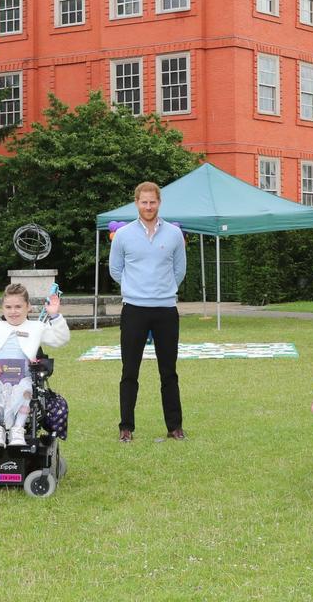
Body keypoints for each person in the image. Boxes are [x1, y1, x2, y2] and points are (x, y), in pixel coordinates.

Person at [109, 181, 187, 442]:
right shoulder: (123, 235)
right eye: (144, 202)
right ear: (136, 203)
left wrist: (162, 290)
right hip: (134, 310)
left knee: (169, 371)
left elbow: (180, 270)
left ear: (159, 203)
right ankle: (126, 428)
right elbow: (115, 270)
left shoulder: (174, 235)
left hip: (166, 310)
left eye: (152, 202)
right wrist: (136, 290)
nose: (148, 206)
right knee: (129, 371)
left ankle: (175, 426)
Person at [0, 284, 70, 447]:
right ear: (2, 308)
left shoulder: (36, 327)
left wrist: (55, 315)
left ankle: (18, 429)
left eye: (18, 306)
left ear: (28, 307)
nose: (13, 311)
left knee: (26, 391)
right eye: (8, 307)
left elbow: (61, 339)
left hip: (24, 378)